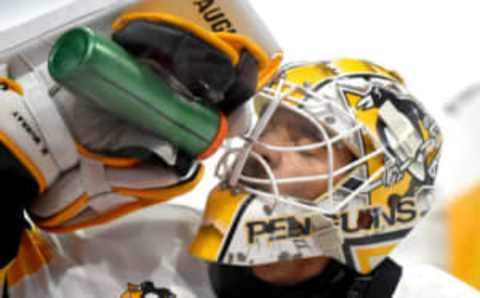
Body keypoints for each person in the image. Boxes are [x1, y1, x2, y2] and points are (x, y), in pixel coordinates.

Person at [0, 0, 282, 297]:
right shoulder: (169, 240)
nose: (267, 151)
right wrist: (17, 157)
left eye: (306, 143)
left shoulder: (179, 244)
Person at [189, 58, 480, 297]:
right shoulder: (158, 242)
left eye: (306, 147)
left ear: (367, 207)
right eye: (268, 127)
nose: (262, 148)